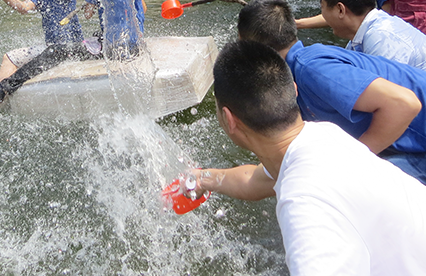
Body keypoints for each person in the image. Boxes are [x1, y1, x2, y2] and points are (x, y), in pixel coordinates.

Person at [182, 40, 426, 275]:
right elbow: (254, 179)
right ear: (294, 90)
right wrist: (202, 179)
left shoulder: (303, 205)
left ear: (228, 119)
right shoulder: (323, 136)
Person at [238, 0, 426, 183]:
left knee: (347, 189)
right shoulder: (296, 77)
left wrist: (349, 162)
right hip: (408, 145)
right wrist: (213, 178)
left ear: (255, 49)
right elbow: (281, 171)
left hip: (418, 146)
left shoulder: (311, 68)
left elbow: (404, 104)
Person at [320, 0, 426, 70]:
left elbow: (387, 87)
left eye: (322, 6)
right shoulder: (361, 35)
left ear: (340, 10)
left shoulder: (381, 37)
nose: (322, 13)